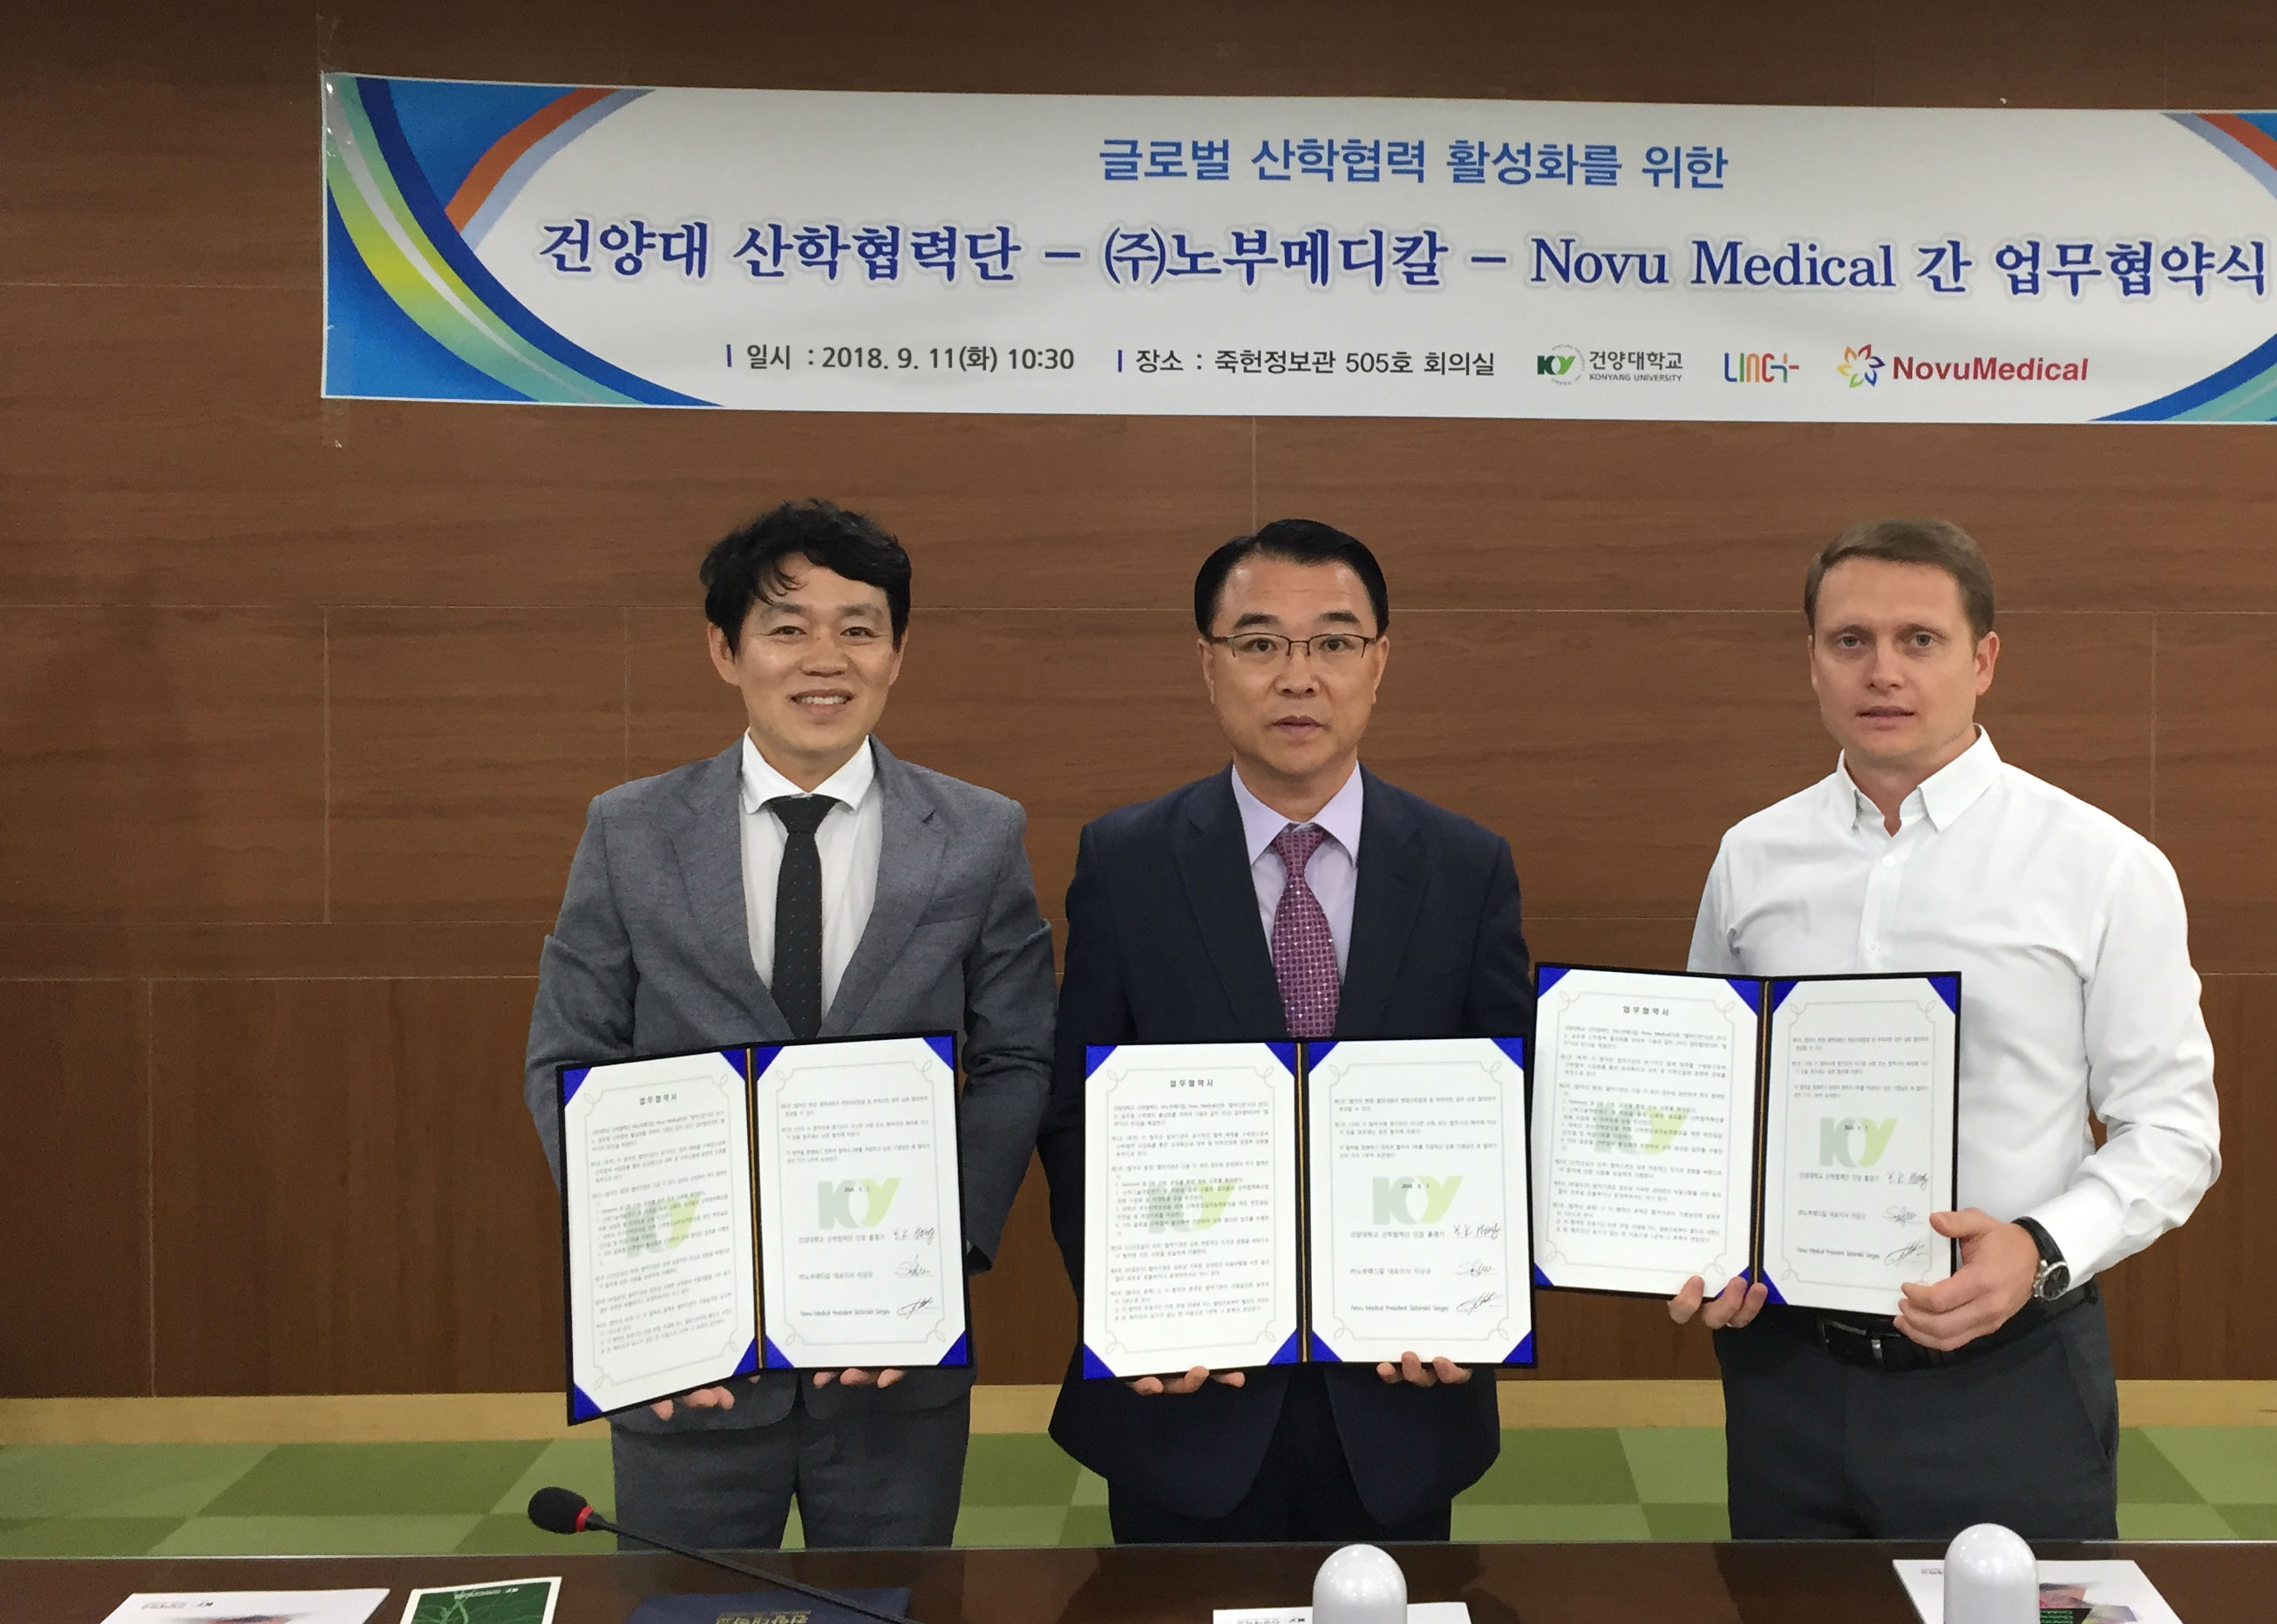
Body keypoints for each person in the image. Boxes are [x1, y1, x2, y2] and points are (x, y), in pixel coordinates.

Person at [522, 499, 1053, 1550]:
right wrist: (645, 1282)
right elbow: (569, 1058)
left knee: (895, 1606)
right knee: (687, 1612)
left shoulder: (980, 835)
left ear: (897, 652)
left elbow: (1018, 1056)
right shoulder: (629, 831)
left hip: (892, 1367)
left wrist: (937, 1257)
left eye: (859, 627)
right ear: (726, 650)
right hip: (691, 1367)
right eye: (786, 627)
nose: (825, 658)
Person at [1676, 517, 2220, 1540]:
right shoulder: (1751, 859)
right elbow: (1713, 1099)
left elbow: (2176, 1130)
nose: (1883, 670)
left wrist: (2040, 1248)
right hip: (1789, 1377)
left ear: (1983, 661)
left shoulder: (2102, 865)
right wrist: (1707, 1245)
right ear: (1812, 662)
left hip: (2009, 1377)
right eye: (1850, 640)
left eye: (1919, 639)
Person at [1037, 518, 1532, 1543]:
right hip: (1186, 1397)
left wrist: (1474, 1299)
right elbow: (1076, 1115)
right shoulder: (1126, 862)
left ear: (1379, 662)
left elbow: (1507, 1110)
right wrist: (1134, 1310)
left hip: (1399, 1394)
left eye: (1335, 642)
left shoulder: (1466, 866)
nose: (1298, 676)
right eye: (1260, 642)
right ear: (1209, 665)